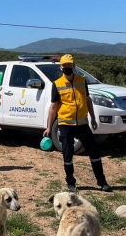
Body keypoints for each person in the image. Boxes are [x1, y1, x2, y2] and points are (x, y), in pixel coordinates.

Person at [43, 55, 112, 193]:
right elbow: (53, 107)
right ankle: (70, 182)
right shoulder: (57, 84)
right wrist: (49, 126)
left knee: (94, 152)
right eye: (64, 65)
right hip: (65, 125)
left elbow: (87, 100)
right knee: (67, 155)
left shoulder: (82, 81)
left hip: (83, 124)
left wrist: (92, 118)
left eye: (69, 65)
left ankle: (102, 182)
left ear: (74, 65)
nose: (67, 68)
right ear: (61, 67)